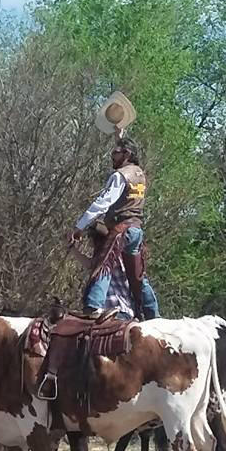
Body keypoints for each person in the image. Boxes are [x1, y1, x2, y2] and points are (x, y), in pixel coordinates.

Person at [69, 137, 160, 320]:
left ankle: (93, 306)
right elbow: (127, 147)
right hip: (136, 231)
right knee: (138, 275)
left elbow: (103, 202)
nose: (112, 156)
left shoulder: (120, 176)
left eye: (115, 152)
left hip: (121, 229)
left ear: (126, 154)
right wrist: (120, 134)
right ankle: (153, 314)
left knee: (104, 264)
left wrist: (79, 227)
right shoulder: (139, 174)